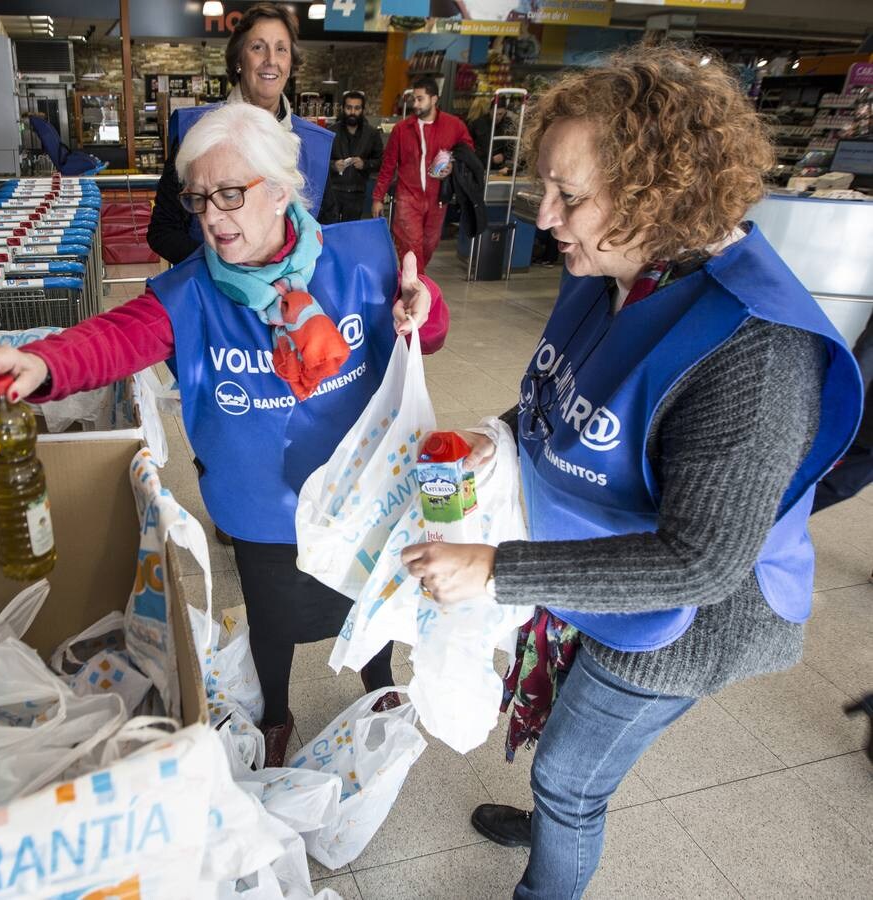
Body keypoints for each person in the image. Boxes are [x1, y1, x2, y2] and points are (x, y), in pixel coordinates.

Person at [400, 46, 863, 898]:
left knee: (572, 779)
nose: (545, 218)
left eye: (569, 197)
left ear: (663, 194)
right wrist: (495, 440)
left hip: (680, 622)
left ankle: (553, 843)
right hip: (592, 562)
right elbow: (569, 395)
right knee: (567, 745)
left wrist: (497, 571)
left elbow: (701, 561)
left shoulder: (755, 352)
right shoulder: (615, 271)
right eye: (547, 188)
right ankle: (552, 816)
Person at [0, 104, 450, 768]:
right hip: (262, 507)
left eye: (232, 194)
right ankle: (275, 713)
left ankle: (378, 683)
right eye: (200, 199)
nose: (214, 218)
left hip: (358, 491)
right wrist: (43, 363)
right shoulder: (191, 293)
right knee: (273, 621)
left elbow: (426, 326)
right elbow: (117, 338)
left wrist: (423, 310)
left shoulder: (361, 260)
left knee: (367, 594)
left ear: (281, 191)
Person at [146, 2, 333, 266]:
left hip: (290, 299)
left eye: (281, 49)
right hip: (209, 295)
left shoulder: (317, 145)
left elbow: (328, 234)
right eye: (258, 47)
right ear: (238, 60)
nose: (271, 59)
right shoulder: (196, 132)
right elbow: (163, 230)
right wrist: (225, 272)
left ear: (290, 63)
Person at [372, 77, 475, 271]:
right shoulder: (402, 130)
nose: (415, 104)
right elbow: (388, 165)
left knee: (429, 243)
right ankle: (414, 286)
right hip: (407, 197)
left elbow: (467, 150)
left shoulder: (454, 126)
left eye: (420, 99)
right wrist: (378, 196)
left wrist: (452, 164)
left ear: (434, 99)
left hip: (438, 199)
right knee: (411, 246)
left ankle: (412, 280)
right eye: (413, 99)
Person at [320, 91, 383, 225]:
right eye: (349, 108)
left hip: (357, 193)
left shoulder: (372, 134)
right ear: (343, 109)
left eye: (357, 108)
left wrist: (365, 164)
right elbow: (319, 160)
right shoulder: (331, 132)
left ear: (363, 110)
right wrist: (333, 165)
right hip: (333, 192)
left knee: (350, 233)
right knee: (330, 232)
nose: (352, 112)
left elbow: (381, 161)